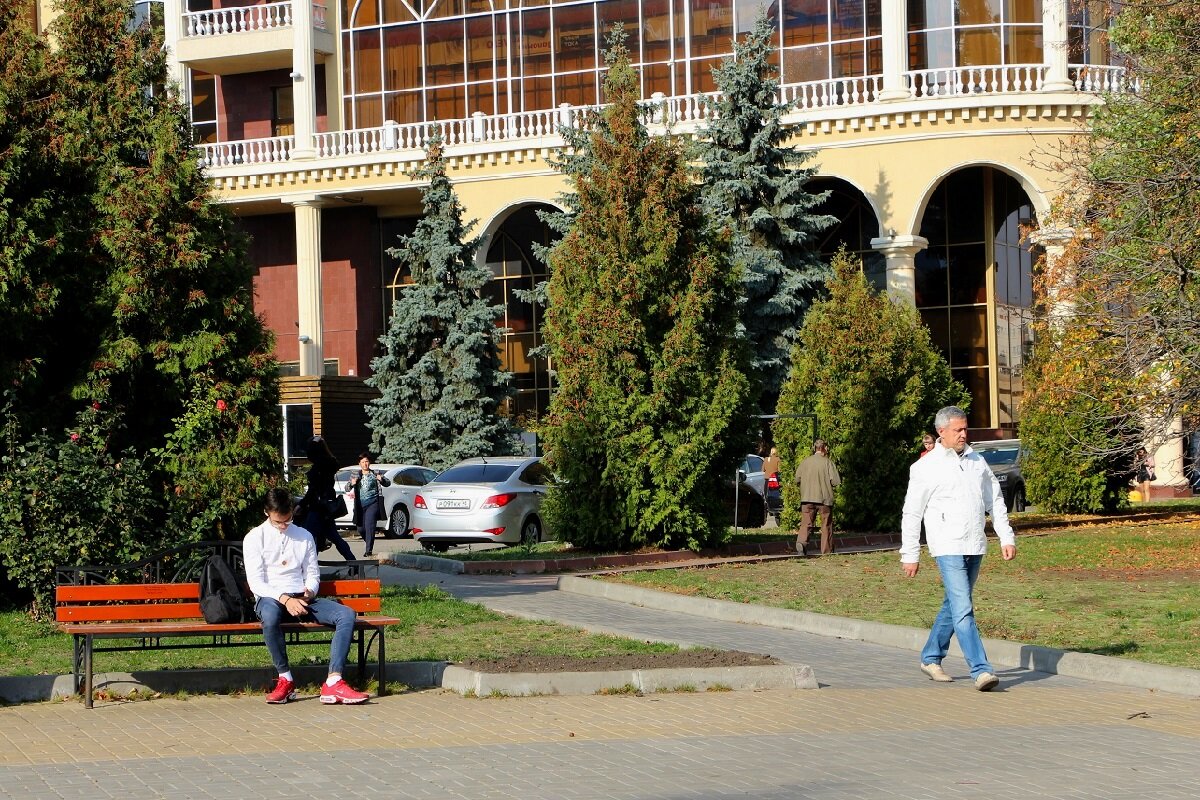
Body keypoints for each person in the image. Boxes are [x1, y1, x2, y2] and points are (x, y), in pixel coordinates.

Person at [900, 406, 1016, 692]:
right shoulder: (925, 468)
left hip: (974, 543)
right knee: (963, 607)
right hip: (946, 545)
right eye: (958, 430)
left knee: (954, 605)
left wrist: (1005, 536)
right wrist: (910, 554)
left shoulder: (977, 461)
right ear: (942, 432)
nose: (964, 434)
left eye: (966, 429)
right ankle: (981, 669)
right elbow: (912, 513)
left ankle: (930, 657)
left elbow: (995, 500)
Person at [244, 488, 369, 705]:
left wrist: (310, 590)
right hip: (271, 599)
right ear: (267, 513)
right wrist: (285, 599)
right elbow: (256, 583)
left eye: (288, 520)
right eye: (278, 522)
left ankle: (334, 681)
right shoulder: (255, 538)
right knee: (271, 617)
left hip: (302, 599)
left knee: (347, 615)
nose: (283, 526)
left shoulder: (304, 536)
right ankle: (285, 679)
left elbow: (312, 574)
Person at [300, 435, 356, 561]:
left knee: (307, 536)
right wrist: (322, 443)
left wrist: (301, 505)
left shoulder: (318, 468)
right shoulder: (330, 464)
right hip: (327, 508)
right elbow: (331, 458)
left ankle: (309, 566)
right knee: (334, 536)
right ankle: (353, 562)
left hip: (317, 507)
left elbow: (313, 490)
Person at [793, 439, 840, 556]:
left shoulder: (805, 462)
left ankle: (801, 543)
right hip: (824, 499)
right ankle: (826, 550)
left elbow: (797, 479)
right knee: (826, 524)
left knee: (806, 523)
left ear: (815, 448)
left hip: (807, 498)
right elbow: (835, 481)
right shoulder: (828, 462)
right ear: (824, 448)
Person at [349, 452, 389, 558]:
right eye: (363, 462)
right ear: (359, 464)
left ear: (369, 462)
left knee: (370, 525)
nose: (365, 464)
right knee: (360, 528)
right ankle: (369, 541)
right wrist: (351, 483)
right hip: (360, 505)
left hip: (373, 503)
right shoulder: (356, 474)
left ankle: (368, 550)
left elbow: (387, 483)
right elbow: (347, 488)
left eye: (367, 461)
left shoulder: (375, 473)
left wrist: (382, 479)